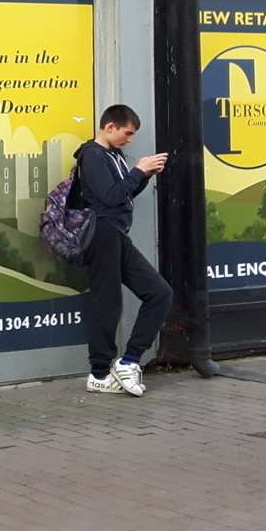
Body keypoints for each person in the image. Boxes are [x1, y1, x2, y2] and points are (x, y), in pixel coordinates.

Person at [74, 104, 171, 396]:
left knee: (160, 293)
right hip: (102, 234)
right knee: (107, 302)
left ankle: (128, 361)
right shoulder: (91, 155)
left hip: (116, 233)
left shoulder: (113, 155)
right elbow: (109, 197)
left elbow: (122, 197)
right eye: (127, 133)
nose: (129, 139)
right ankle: (99, 373)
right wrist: (138, 171)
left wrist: (144, 175)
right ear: (109, 127)